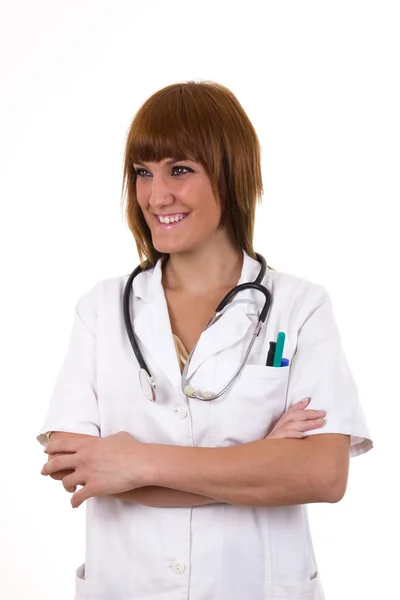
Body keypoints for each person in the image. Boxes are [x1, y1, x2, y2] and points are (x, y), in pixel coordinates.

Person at [38, 80, 373, 600]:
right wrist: (260, 460)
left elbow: (323, 474)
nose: (156, 195)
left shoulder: (300, 306)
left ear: (231, 174)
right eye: (142, 173)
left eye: (180, 170)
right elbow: (76, 468)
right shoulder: (101, 310)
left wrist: (135, 463)